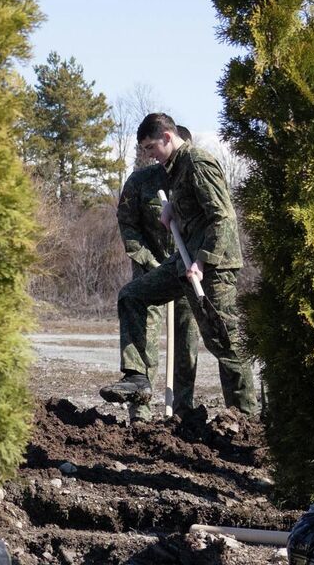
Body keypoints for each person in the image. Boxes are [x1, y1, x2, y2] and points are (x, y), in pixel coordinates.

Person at [101, 114, 259, 416]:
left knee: (224, 342)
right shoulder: (174, 169)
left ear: (167, 137)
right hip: (182, 263)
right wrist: (173, 209)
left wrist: (202, 260)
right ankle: (136, 377)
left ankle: (244, 418)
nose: (148, 155)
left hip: (213, 268)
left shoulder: (198, 162)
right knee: (132, 295)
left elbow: (223, 217)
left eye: (150, 147)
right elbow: (194, 208)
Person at [114, 125, 201, 419]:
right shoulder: (141, 181)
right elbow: (127, 223)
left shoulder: (193, 178)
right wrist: (147, 260)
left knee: (187, 343)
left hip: (188, 270)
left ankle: (182, 412)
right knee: (144, 337)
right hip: (150, 268)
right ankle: (141, 411)